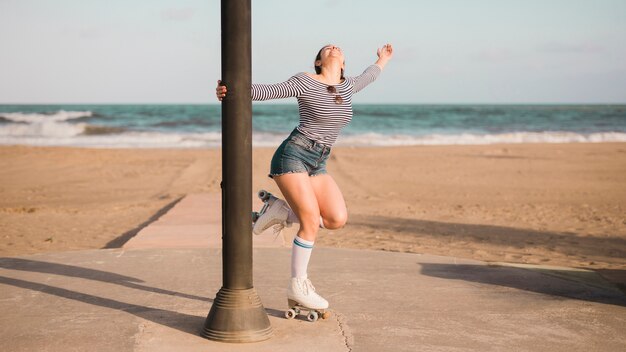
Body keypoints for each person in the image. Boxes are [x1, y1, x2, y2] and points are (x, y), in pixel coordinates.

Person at [215, 43, 393, 311]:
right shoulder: (305, 81)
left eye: (338, 48)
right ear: (318, 62)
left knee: (335, 219)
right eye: (326, 48)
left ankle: (279, 210)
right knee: (310, 220)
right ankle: (298, 284)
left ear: (343, 63)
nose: (333, 48)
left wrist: (382, 59)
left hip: (319, 162)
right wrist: (231, 90)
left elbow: (371, 75)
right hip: (294, 154)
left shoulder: (348, 85)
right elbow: (268, 91)